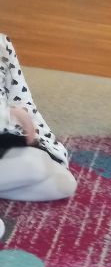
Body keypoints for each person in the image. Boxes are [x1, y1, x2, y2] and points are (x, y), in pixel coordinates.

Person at [0, 33, 77, 203]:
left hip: (7, 134)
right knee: (35, 165)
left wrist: (28, 124)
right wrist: (8, 116)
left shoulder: (2, 44)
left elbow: (21, 96)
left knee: (65, 184)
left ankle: (8, 179)